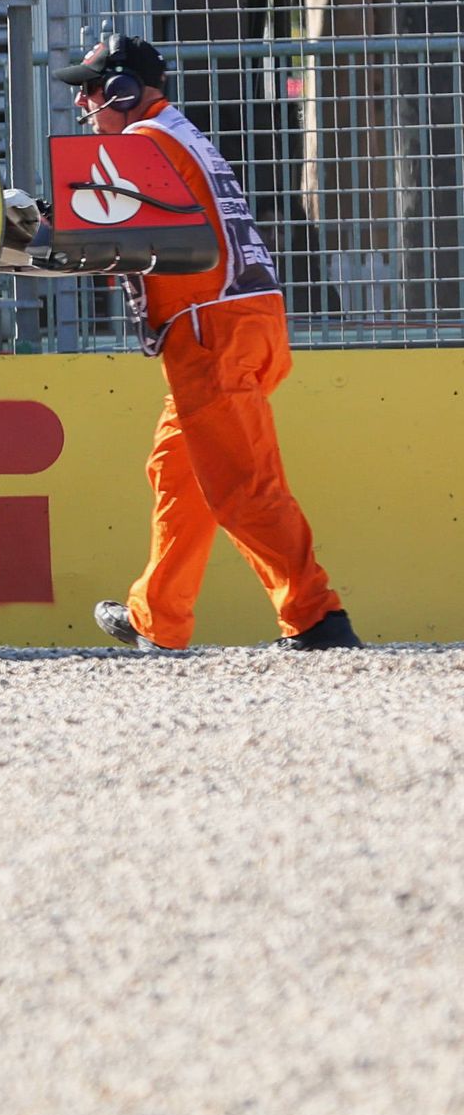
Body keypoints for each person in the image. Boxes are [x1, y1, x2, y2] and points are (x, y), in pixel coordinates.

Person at [48, 35, 355, 653]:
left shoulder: (139, 143)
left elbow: (92, 232)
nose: (82, 101)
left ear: (123, 91)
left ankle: (315, 618)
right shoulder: (178, 134)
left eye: (89, 88)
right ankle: (156, 617)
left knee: (244, 486)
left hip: (209, 331)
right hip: (245, 320)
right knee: (176, 470)